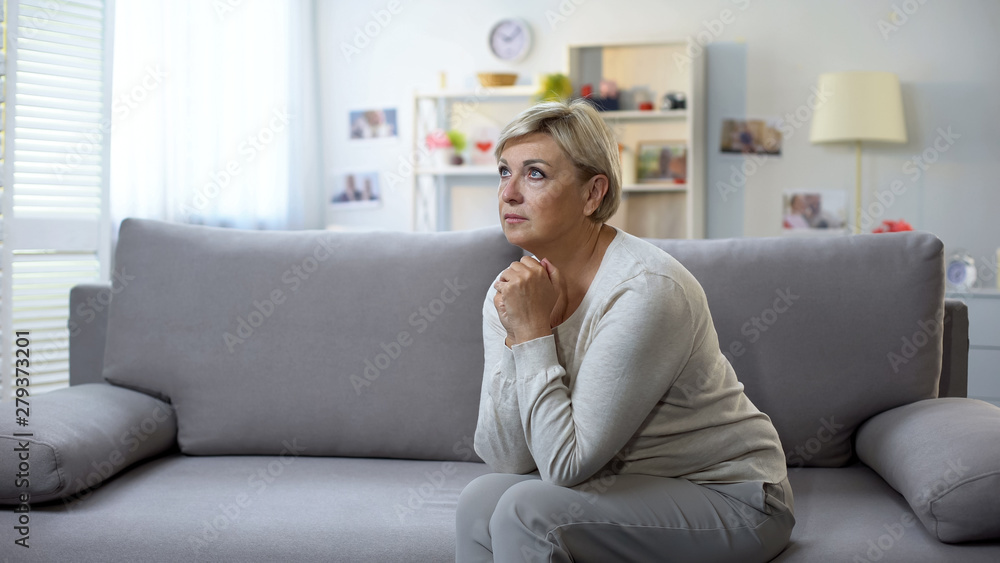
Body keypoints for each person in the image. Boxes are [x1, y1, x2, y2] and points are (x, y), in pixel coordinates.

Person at [456, 100, 794, 563]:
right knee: (480, 499)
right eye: (503, 172)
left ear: (593, 194)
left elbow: (564, 467)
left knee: (525, 509)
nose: (508, 193)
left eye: (534, 174)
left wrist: (534, 335)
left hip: (733, 498)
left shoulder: (646, 289)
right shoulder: (514, 292)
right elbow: (505, 457)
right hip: (625, 486)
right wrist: (519, 331)